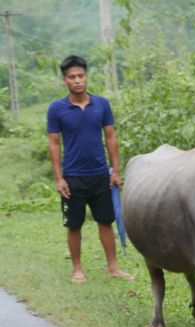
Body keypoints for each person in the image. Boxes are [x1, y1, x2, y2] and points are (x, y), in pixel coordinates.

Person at [47, 55, 134, 283]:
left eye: (80, 76)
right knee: (74, 224)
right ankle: (77, 269)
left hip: (100, 175)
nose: (77, 80)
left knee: (105, 221)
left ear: (87, 77)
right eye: (72, 77)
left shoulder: (101, 104)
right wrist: (59, 178)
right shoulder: (56, 109)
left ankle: (113, 268)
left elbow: (111, 137)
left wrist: (114, 171)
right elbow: (54, 144)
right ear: (64, 80)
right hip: (72, 177)